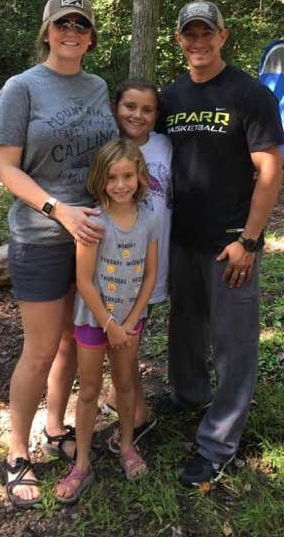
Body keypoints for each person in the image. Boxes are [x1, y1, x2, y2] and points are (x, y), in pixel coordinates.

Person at [0, 0, 117, 508]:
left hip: (91, 238)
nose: (71, 32)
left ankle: (56, 426)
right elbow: (5, 167)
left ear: (90, 36)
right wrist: (57, 210)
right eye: (62, 23)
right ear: (47, 31)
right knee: (41, 348)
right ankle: (17, 453)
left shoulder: (98, 86)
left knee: (71, 342)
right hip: (41, 236)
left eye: (81, 25)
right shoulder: (22, 88)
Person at [159, 0, 284, 486]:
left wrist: (250, 242)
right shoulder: (169, 98)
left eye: (206, 32)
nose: (198, 42)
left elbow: (269, 173)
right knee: (185, 326)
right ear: (179, 40)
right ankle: (188, 394)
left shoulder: (250, 95)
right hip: (182, 238)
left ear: (223, 36)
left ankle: (218, 442)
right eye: (189, 34)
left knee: (233, 344)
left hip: (231, 242)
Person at [55, 138, 159, 504]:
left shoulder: (148, 218)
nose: (120, 184)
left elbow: (150, 276)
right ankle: (81, 463)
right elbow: (84, 281)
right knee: (88, 390)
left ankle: (127, 446)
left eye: (127, 176)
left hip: (131, 322)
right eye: (112, 177)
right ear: (100, 179)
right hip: (93, 322)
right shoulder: (93, 221)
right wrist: (110, 325)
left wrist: (129, 322)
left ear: (139, 176)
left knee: (127, 383)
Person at [102, 79, 173, 449]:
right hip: (112, 266)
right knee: (122, 338)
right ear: (116, 107)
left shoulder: (166, 146)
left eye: (147, 109)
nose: (138, 115)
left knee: (131, 337)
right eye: (130, 106)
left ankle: (132, 406)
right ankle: (134, 407)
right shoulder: (107, 149)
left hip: (151, 261)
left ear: (157, 115)